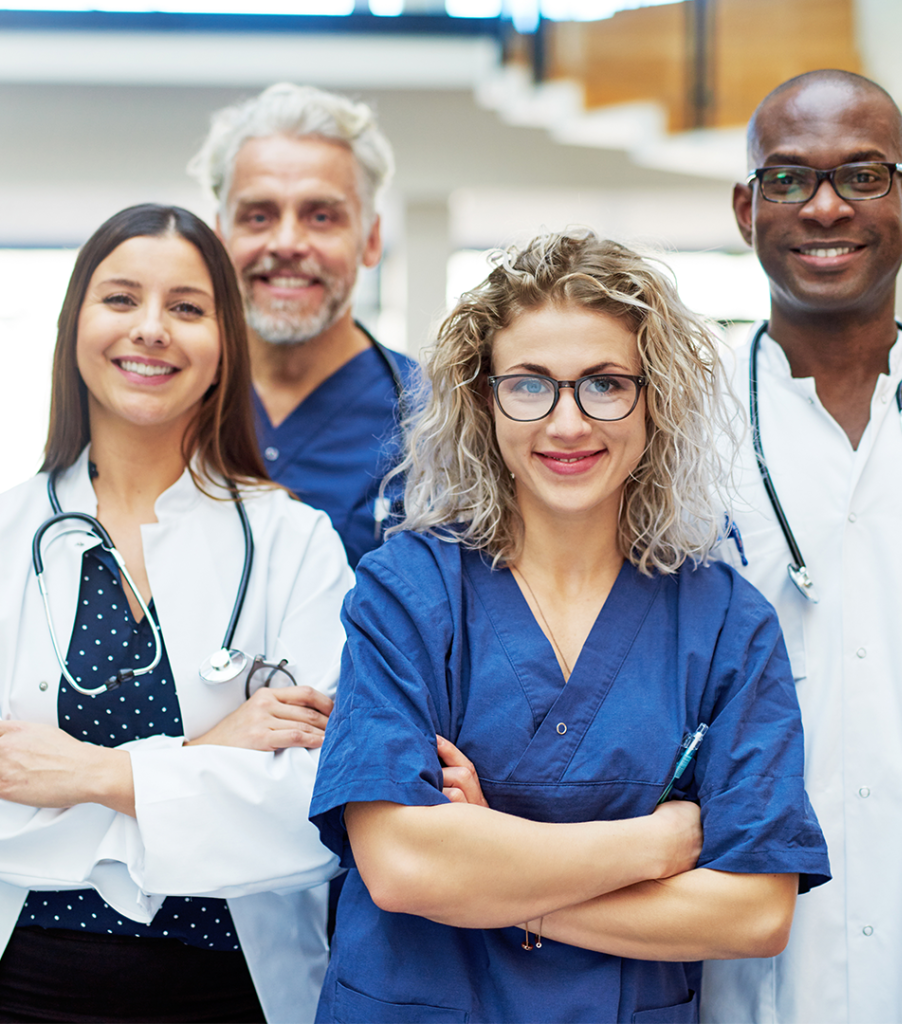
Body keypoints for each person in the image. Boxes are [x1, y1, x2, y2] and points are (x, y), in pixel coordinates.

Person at [308, 230, 830, 1024]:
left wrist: (495, 879)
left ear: (654, 399)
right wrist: (653, 849)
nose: (567, 422)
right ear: (485, 400)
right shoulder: (408, 591)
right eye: (530, 385)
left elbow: (754, 914)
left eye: (605, 383)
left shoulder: (725, 621)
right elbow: (403, 868)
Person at [699, 70, 902, 1024]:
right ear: (746, 207)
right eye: (788, 179)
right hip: (742, 940)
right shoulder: (677, 438)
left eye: (863, 175)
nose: (825, 206)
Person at [0, 204, 353, 1023]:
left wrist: (97, 775)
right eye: (121, 300)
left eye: (188, 309)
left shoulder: (294, 543)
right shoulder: (7, 533)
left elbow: (315, 815)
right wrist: (207, 754)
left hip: (237, 985)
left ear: (225, 341)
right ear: (74, 325)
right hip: (22, 981)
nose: (151, 330)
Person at [188, 82, 418, 568]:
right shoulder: (171, 400)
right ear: (218, 238)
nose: (288, 242)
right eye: (258, 216)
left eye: (320, 216)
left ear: (371, 239)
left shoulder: (438, 418)